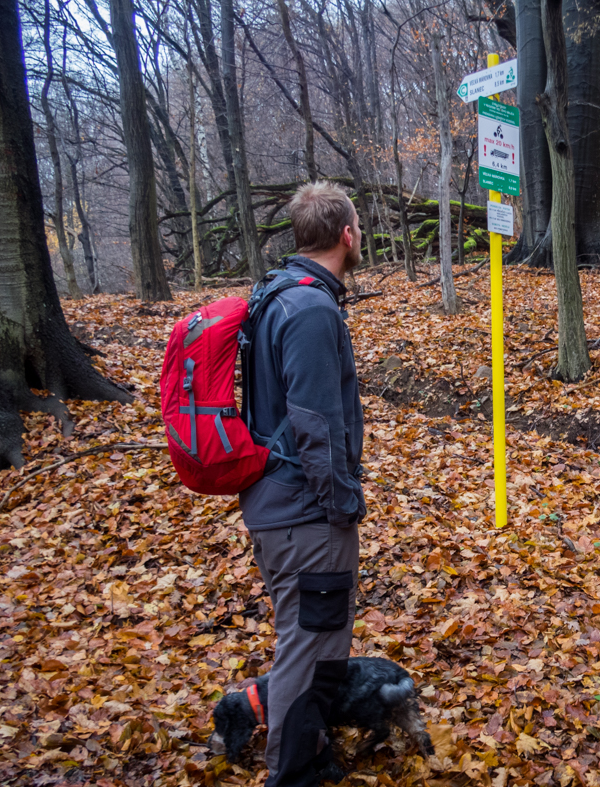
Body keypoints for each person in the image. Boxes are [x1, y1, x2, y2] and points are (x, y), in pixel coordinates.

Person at [239, 181, 366, 787]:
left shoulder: (276, 295)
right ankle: (291, 774)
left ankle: (311, 753)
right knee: (307, 646)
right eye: (359, 227)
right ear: (346, 234)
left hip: (278, 503)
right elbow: (316, 422)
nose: (360, 235)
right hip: (304, 512)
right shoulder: (312, 309)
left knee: (311, 639)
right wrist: (343, 504)